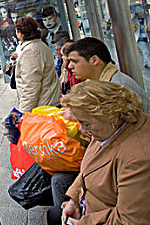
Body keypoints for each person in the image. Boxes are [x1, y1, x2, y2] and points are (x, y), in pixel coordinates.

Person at [58, 80, 150, 225]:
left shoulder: (138, 158)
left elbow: (129, 220)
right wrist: (74, 199)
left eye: (86, 123)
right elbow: (90, 167)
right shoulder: (107, 127)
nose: (82, 129)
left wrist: (83, 222)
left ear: (110, 117)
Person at [66, 37, 150, 113]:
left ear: (94, 60)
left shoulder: (117, 87)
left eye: (74, 61)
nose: (70, 66)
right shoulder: (102, 83)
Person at [14, 16, 60, 112]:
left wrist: (24, 112)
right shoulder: (40, 45)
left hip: (42, 107)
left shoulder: (30, 52)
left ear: (20, 32)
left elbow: (31, 86)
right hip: (48, 102)